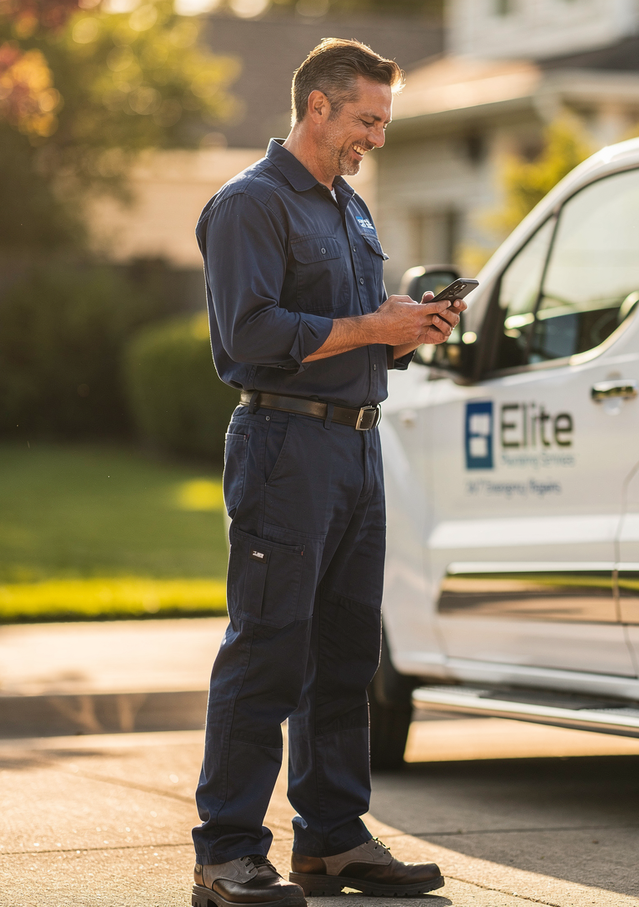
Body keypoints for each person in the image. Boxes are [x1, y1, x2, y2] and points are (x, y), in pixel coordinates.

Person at [189, 37, 460, 907]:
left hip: (356, 443)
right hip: (284, 450)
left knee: (345, 654)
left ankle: (332, 840)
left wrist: (406, 330)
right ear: (317, 105)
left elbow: (351, 329)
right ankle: (225, 852)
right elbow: (252, 337)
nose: (376, 138)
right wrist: (370, 327)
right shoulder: (249, 205)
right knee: (267, 648)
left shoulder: (350, 208)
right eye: (367, 120)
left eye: (383, 121)